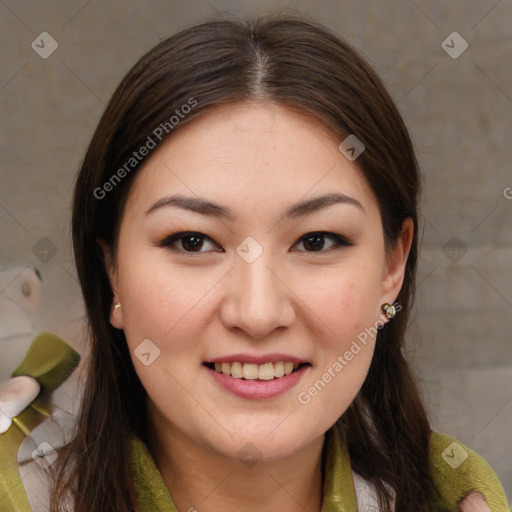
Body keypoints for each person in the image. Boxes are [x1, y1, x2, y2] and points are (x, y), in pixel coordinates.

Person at [1, 13, 508, 512]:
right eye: (193, 242)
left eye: (316, 241)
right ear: (111, 271)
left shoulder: (461, 500)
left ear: (391, 268)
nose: (258, 313)